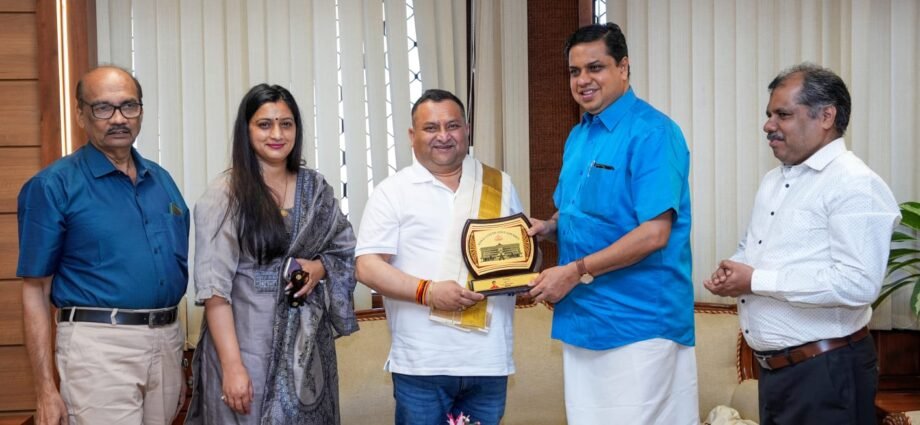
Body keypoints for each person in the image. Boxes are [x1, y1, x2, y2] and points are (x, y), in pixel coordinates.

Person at [704, 63, 900, 424]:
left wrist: (755, 280)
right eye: (768, 115)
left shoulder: (855, 184)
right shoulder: (773, 181)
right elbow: (754, 247)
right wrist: (734, 270)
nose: (768, 125)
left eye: (783, 115)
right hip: (776, 374)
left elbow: (857, 283)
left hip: (826, 374)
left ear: (826, 116)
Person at [527, 23, 698, 424]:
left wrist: (575, 271)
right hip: (584, 319)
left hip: (640, 322)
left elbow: (654, 233)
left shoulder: (654, 133)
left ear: (623, 67)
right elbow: (581, 213)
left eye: (595, 67)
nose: (583, 80)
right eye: (574, 71)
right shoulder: (578, 135)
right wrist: (549, 227)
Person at [17, 65, 189, 424]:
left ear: (141, 111)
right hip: (98, 347)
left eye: (129, 106)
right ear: (81, 114)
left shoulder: (162, 181)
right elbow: (35, 290)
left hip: (167, 341)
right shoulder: (53, 186)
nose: (118, 118)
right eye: (103, 108)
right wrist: (45, 389)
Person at [184, 84, 358, 424]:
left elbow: (345, 249)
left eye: (286, 124)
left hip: (306, 351)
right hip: (248, 348)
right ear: (246, 130)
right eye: (264, 124)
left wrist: (319, 268)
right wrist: (232, 366)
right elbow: (214, 291)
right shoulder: (225, 195)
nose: (277, 134)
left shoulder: (315, 188)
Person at [355, 89, 523, 425]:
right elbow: (367, 267)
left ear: (467, 129)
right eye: (431, 128)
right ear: (412, 135)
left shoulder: (499, 184)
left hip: (488, 362)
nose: (443, 136)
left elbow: (516, 260)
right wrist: (428, 291)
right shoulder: (392, 191)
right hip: (423, 364)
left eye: (453, 126)